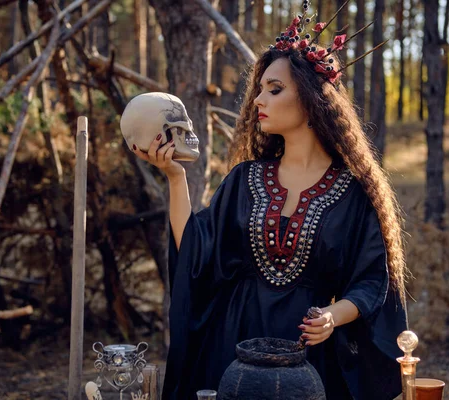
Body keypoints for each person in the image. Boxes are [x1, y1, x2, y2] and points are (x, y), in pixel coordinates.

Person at [131, 9, 409, 400]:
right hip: (231, 349)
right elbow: (196, 253)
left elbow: (371, 283)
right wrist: (176, 178)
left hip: (308, 358)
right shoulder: (244, 180)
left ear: (312, 100)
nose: (258, 99)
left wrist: (331, 317)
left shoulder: (354, 193)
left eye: (274, 89)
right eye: (259, 88)